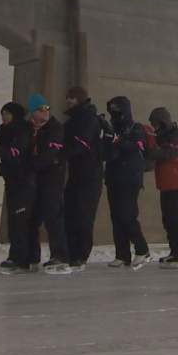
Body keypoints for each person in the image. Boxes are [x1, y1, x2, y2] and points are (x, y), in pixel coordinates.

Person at [102, 96, 150, 268]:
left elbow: (135, 146)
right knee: (116, 216)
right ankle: (122, 254)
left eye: (117, 109)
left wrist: (117, 141)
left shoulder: (136, 128)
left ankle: (142, 249)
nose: (115, 113)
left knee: (127, 215)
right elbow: (107, 152)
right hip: (113, 177)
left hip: (130, 178)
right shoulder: (112, 128)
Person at [28, 94, 72, 274]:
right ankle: (31, 256)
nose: (45, 112)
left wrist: (29, 164)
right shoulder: (30, 129)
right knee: (31, 219)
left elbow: (48, 155)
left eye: (47, 108)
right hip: (35, 180)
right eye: (40, 109)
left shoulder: (55, 128)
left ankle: (60, 256)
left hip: (52, 179)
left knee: (53, 218)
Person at [145, 107, 178, 268]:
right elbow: (152, 160)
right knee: (168, 219)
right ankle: (175, 251)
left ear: (163, 122)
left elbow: (172, 154)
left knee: (175, 217)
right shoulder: (160, 137)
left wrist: (152, 149)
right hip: (166, 184)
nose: (154, 127)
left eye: (155, 123)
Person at [0, 101, 37, 274]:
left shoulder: (22, 131)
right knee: (15, 220)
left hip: (24, 181)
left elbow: (14, 153)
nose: (4, 117)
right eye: (2, 113)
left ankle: (20, 258)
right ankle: (23, 256)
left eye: (7, 113)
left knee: (20, 220)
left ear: (15, 115)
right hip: (12, 180)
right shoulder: (5, 133)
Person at [62, 86, 103, 270]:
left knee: (83, 215)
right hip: (77, 173)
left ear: (80, 99)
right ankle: (72, 254)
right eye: (68, 97)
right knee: (71, 213)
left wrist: (59, 154)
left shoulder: (88, 119)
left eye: (72, 98)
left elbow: (81, 144)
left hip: (89, 175)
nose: (68, 101)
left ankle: (80, 255)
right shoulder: (74, 120)